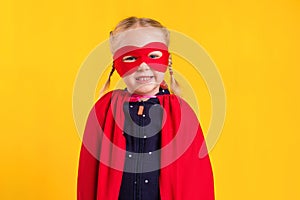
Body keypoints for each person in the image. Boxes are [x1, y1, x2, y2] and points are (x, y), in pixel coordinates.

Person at [77, 16, 215, 200]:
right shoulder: (104, 110)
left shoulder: (182, 114)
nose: (143, 66)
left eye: (153, 56)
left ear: (167, 60)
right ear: (116, 64)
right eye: (130, 58)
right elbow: (89, 177)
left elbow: (196, 182)